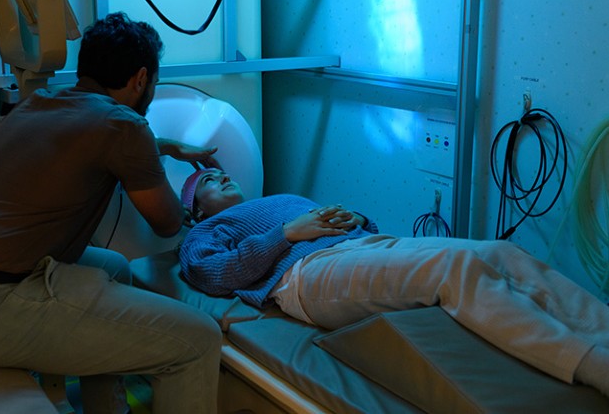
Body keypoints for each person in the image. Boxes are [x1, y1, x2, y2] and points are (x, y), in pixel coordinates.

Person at [0, 13, 223, 414]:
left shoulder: (38, 104)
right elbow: (166, 224)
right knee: (198, 342)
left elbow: (94, 139)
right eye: (155, 83)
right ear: (141, 78)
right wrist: (189, 203)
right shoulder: (124, 127)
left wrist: (166, 147)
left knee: (113, 266)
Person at [177, 168, 609, 397]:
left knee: (500, 252)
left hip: (365, 245)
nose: (222, 177)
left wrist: (358, 218)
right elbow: (211, 273)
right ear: (197, 211)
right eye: (208, 184)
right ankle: (594, 366)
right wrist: (288, 233)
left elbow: (351, 224)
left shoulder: (280, 198)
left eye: (221, 172)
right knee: (453, 269)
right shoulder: (204, 232)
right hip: (307, 276)